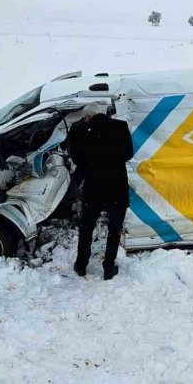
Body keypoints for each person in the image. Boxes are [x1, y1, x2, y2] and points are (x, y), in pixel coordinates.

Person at [66, 104, 134, 280]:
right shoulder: (121, 127)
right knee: (114, 229)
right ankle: (109, 267)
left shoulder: (80, 130)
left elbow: (77, 159)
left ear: (88, 116)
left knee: (87, 228)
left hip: (93, 187)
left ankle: (81, 265)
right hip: (117, 186)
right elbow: (128, 154)